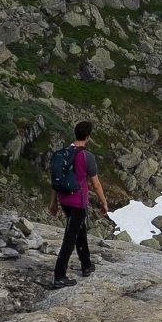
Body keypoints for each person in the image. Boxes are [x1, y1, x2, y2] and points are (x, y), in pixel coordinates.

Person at [50, 121, 111, 284]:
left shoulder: (63, 153)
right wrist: (103, 202)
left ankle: (86, 265)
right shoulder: (86, 156)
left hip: (64, 199)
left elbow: (56, 179)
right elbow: (96, 184)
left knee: (79, 229)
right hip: (78, 202)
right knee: (70, 237)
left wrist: (53, 203)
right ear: (88, 137)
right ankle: (59, 276)